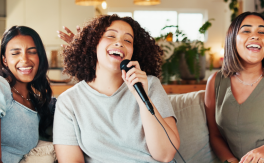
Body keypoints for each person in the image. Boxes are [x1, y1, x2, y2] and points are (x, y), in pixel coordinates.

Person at [53, 14, 180, 163]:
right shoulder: (68, 102)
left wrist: (141, 97)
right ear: (93, 44)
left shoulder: (150, 85)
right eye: (111, 36)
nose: (119, 43)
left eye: (127, 40)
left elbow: (165, 155)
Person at [205, 12, 264, 163]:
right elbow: (215, 135)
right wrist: (231, 160)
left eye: (262, 32)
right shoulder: (215, 81)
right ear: (232, 39)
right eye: (246, 30)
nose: (256, 36)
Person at [0, 26, 54, 163]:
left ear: (40, 57)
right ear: (4, 60)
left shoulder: (37, 101)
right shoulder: (2, 87)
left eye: (32, 52)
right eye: (15, 53)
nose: (24, 59)